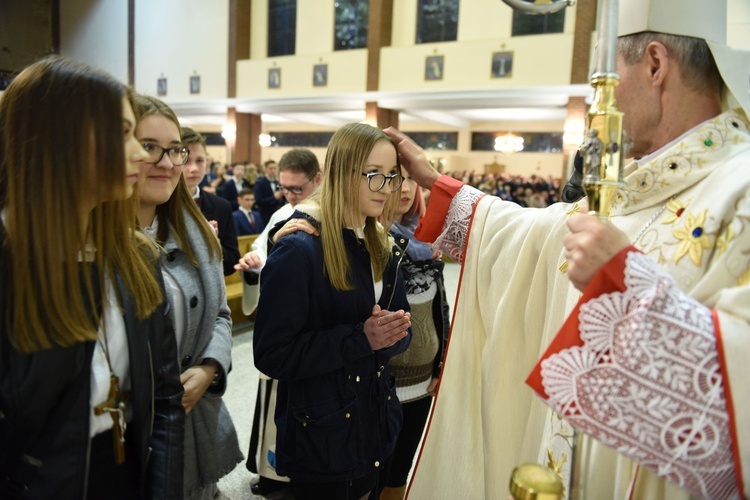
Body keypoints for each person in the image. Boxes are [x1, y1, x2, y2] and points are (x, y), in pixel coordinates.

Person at [384, 0, 750, 498]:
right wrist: (440, 188)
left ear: (656, 64)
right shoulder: (628, 193)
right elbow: (531, 234)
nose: (603, 103)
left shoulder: (740, 192)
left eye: (607, 76)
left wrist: (625, 285)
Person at [0, 56, 185, 499]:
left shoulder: (135, 255)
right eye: (122, 134)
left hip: (123, 470)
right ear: (53, 139)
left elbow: (164, 401)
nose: (141, 154)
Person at [253, 123, 412, 500]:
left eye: (392, 176)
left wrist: (393, 334)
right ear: (342, 171)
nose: (387, 188)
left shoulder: (382, 243)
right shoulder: (299, 249)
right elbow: (272, 355)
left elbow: (398, 332)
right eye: (374, 175)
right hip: (323, 437)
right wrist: (363, 338)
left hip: (373, 423)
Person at [133, 94, 243, 499]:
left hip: (192, 418)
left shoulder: (195, 232)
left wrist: (210, 368)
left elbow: (219, 314)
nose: (167, 163)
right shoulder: (91, 244)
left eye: (175, 149)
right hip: (133, 431)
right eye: (150, 148)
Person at [235, 147, 321, 497]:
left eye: (297, 189)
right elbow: (263, 253)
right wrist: (255, 263)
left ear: (318, 179)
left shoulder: (335, 215)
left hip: (313, 324)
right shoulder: (282, 214)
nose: (289, 197)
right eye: (283, 188)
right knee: (273, 398)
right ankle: (271, 471)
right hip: (280, 324)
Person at [380, 175, 450, 500]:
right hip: (384, 380)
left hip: (423, 380)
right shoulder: (370, 239)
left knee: (401, 467)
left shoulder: (427, 238)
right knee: (375, 469)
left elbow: (441, 307)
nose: (406, 189)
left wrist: (441, 364)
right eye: (394, 180)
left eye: (410, 180)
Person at [181, 126, 240, 276]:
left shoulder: (221, 206)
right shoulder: (157, 204)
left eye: (200, 160)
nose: (193, 168)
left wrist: (214, 244)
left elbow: (232, 263)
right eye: (185, 160)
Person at [253, 159, 285, 225]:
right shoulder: (260, 183)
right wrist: (274, 198)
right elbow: (258, 201)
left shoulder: (278, 182)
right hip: (265, 214)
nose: (273, 170)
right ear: (265, 169)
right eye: (270, 168)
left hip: (277, 213)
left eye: (275, 168)